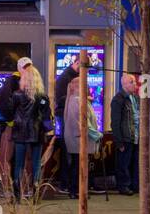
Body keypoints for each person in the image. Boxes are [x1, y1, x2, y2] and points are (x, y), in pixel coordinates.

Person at [0, 56, 33, 198]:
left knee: (23, 158)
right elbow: (3, 102)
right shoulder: (12, 81)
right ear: (19, 68)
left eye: (29, 67)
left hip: (23, 128)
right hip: (13, 127)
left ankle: (23, 188)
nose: (27, 70)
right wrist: (13, 117)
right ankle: (8, 188)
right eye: (25, 67)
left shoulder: (32, 83)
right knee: (8, 158)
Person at [10, 65, 52, 201]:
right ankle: (35, 191)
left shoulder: (17, 95)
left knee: (19, 164)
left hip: (20, 132)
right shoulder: (42, 97)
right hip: (36, 132)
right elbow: (46, 116)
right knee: (35, 164)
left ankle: (17, 195)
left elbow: (11, 112)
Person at [63, 84, 101, 200]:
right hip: (79, 139)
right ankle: (75, 190)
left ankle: (77, 190)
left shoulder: (77, 100)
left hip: (79, 138)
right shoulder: (76, 101)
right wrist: (96, 134)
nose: (87, 88)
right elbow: (83, 122)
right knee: (77, 166)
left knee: (78, 165)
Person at [53, 55, 80, 193]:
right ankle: (66, 182)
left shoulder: (72, 76)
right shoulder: (65, 78)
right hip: (65, 116)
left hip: (68, 116)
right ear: (76, 62)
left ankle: (70, 182)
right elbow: (60, 99)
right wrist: (77, 98)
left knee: (70, 150)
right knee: (68, 149)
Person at [110, 73, 140, 195]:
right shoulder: (118, 99)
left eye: (135, 82)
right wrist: (119, 141)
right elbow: (115, 122)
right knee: (123, 163)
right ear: (125, 84)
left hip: (136, 136)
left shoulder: (135, 98)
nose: (135, 85)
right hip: (126, 136)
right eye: (132, 82)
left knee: (134, 163)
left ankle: (134, 185)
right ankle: (123, 186)